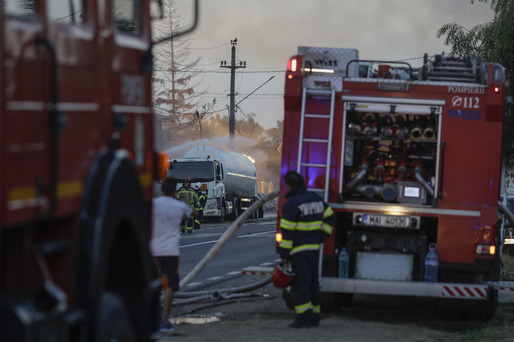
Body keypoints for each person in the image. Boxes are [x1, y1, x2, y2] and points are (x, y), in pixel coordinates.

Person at [278, 171, 335, 328]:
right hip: (314, 249)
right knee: (313, 284)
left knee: (300, 285)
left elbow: (287, 233)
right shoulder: (316, 199)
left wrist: (284, 255)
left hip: (299, 251)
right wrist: (321, 236)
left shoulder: (291, 204)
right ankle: (315, 316)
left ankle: (303, 318)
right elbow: (330, 217)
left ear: (289, 186)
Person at [150, 177, 198, 333]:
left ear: (162, 189)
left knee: (152, 284)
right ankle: (164, 321)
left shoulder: (154, 204)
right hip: (170, 252)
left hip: (153, 251)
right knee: (169, 286)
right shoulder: (179, 206)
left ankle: (151, 319)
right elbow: (195, 213)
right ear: (174, 190)